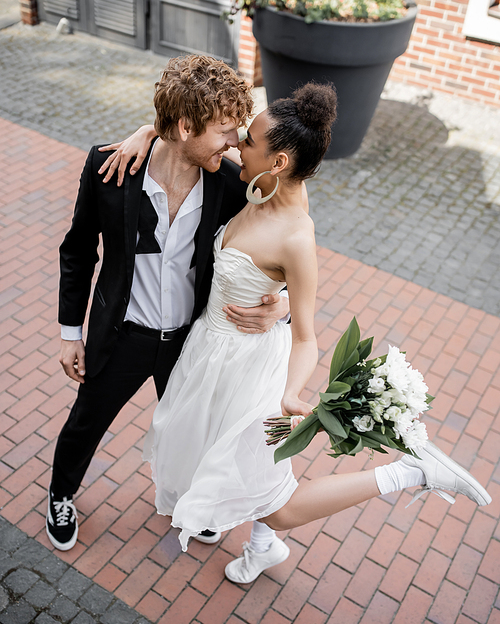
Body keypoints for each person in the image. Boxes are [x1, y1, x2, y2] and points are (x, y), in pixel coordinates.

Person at [115, 82, 491, 584]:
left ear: (278, 162)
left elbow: (307, 334)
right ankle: (263, 548)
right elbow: (187, 144)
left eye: (248, 139)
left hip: (260, 385)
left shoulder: (295, 234)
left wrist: (289, 391)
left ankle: (411, 472)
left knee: (277, 501)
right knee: (230, 459)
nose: (236, 144)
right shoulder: (262, 186)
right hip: (213, 357)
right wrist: (147, 132)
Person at [46, 54, 290, 552]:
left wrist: (280, 302)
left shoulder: (227, 183)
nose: (233, 143)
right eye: (225, 131)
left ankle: (194, 504)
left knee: (196, 428)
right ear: (183, 125)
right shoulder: (109, 168)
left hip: (189, 339)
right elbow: (77, 251)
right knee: (86, 421)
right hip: (122, 333)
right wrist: (72, 333)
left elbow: (277, 243)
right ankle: (60, 494)